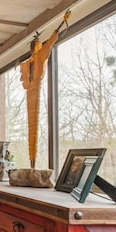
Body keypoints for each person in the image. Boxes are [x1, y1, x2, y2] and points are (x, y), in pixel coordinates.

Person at [20, 10, 71, 168]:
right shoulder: (28, 63)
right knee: (31, 125)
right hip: (31, 91)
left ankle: (33, 163)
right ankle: (32, 161)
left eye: (36, 46)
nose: (34, 49)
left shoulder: (42, 55)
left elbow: (50, 43)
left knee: (34, 126)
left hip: (36, 88)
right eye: (32, 47)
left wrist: (61, 24)